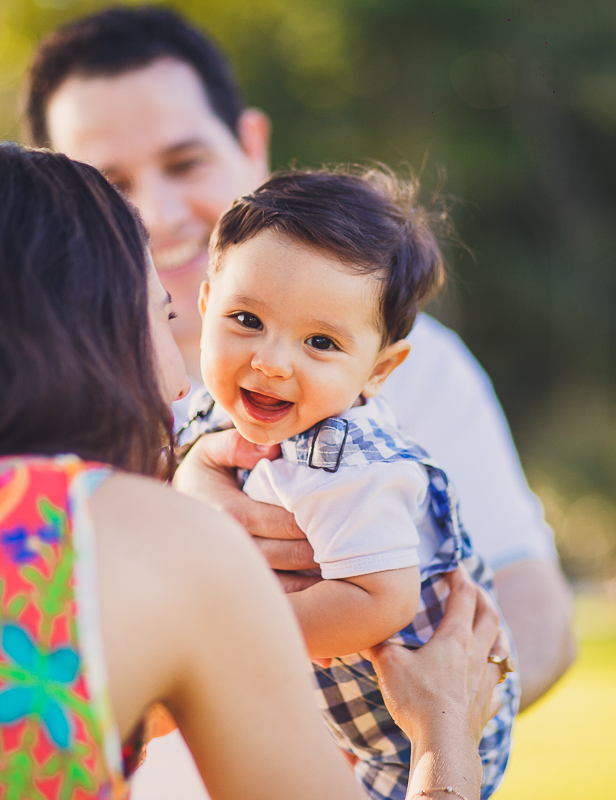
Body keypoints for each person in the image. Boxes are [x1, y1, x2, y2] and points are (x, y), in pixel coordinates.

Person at [23, 6, 575, 793]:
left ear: (250, 143)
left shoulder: (409, 380)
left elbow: (534, 603)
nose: (156, 213)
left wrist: (431, 710)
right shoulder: (21, 395)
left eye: (184, 162)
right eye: (110, 185)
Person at [178, 167, 520, 800]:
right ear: (206, 307)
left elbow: (379, 601)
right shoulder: (214, 410)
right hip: (337, 719)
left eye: (319, 341)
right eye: (246, 320)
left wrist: (237, 624)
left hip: (403, 742)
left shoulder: (348, 466)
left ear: (379, 369)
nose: (271, 361)